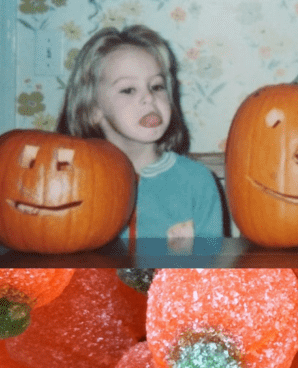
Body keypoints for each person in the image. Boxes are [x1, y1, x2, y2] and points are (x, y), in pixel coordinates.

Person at [57, 24, 225, 251]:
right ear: (93, 109)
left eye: (156, 86)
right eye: (128, 90)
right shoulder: (72, 181)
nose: (148, 98)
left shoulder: (197, 181)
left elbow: (210, 268)